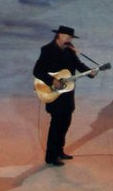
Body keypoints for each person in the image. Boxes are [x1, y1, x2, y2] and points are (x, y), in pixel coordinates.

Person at [32, 25, 95, 167]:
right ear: (58, 35)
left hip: (67, 92)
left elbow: (78, 64)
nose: (69, 39)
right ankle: (51, 156)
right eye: (66, 36)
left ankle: (59, 150)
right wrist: (52, 81)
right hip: (53, 92)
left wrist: (90, 72)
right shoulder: (47, 50)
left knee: (65, 123)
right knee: (56, 125)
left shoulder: (70, 49)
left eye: (70, 37)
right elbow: (38, 71)